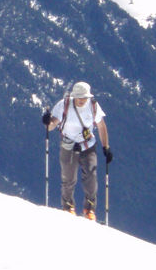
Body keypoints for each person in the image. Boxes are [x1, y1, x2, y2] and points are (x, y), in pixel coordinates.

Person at [42, 81, 112, 221]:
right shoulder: (64, 105)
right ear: (74, 96)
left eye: (84, 97)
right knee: (68, 178)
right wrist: (47, 122)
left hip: (88, 145)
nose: (82, 100)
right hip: (69, 144)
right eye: (79, 97)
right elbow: (52, 125)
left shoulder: (93, 106)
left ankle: (89, 209)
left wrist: (106, 147)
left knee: (91, 177)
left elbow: (101, 126)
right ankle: (68, 207)